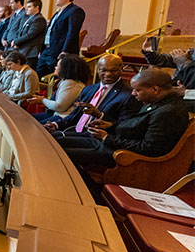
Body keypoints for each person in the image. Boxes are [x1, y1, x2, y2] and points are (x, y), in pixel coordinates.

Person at [54, 68, 189, 190]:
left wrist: (107, 137)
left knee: (60, 154)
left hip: (123, 154)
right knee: (56, 141)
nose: (133, 94)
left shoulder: (168, 112)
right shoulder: (156, 101)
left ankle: (85, 190)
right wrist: (111, 125)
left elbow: (148, 148)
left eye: (137, 90)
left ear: (155, 89)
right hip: (113, 143)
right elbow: (136, 125)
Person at [45, 54, 140, 135]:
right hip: (76, 131)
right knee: (46, 134)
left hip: (97, 136)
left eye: (113, 71)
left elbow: (125, 126)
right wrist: (55, 124)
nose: (108, 74)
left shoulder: (128, 95)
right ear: (98, 70)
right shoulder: (89, 89)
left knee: (56, 141)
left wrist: (100, 115)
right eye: (104, 70)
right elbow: (74, 116)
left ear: (121, 70)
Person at [36, 0, 86, 77]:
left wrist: (65, 51)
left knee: (54, 77)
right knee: (39, 75)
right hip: (46, 50)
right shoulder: (57, 13)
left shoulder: (75, 11)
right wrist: (42, 50)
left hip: (59, 51)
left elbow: (72, 32)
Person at [26, 54, 89, 123]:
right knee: (26, 118)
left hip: (62, 119)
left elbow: (59, 106)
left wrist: (42, 100)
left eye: (58, 66)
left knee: (29, 123)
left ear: (66, 69)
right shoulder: (67, 81)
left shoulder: (71, 83)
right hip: (56, 115)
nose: (55, 67)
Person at [10, 0, 47, 70]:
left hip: (30, 52)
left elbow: (30, 35)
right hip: (22, 50)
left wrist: (16, 41)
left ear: (37, 7)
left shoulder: (39, 19)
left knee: (27, 72)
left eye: (29, 7)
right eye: (26, 7)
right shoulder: (28, 18)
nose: (26, 9)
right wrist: (16, 41)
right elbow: (20, 32)